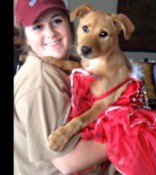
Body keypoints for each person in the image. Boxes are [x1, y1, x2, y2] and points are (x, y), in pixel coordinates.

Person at [14, 0, 108, 174]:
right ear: (25, 37)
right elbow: (68, 162)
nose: (50, 33)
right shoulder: (41, 81)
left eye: (57, 21)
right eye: (37, 27)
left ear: (69, 24)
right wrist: (132, 133)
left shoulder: (68, 65)